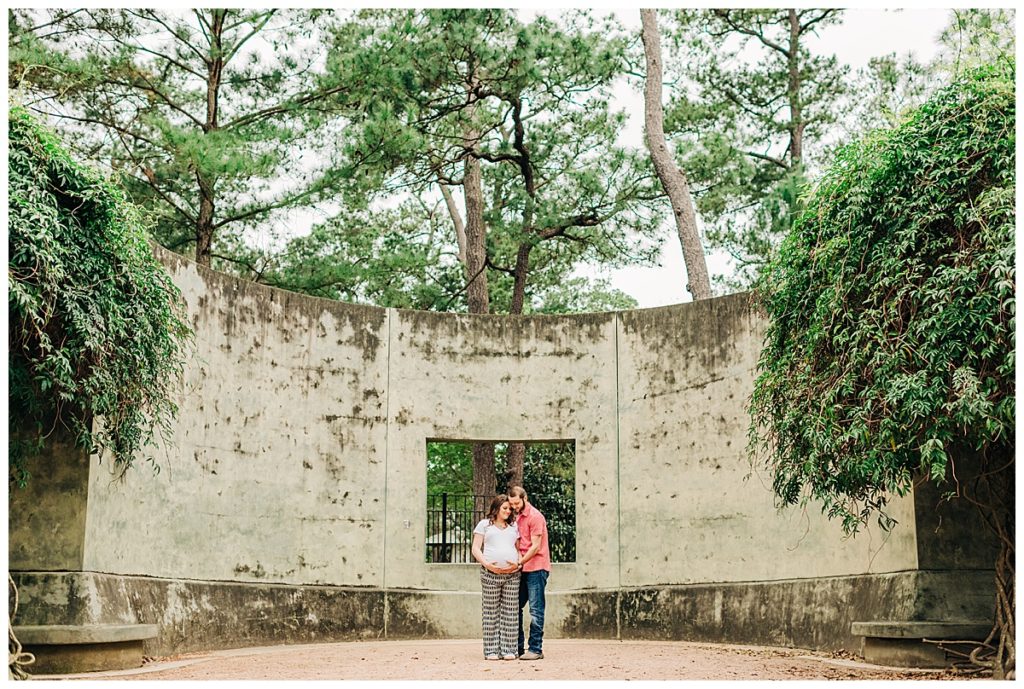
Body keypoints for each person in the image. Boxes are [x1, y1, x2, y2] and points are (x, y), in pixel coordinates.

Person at [471, 494, 522, 661]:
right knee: (490, 612)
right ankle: (491, 650)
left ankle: (509, 649)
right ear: (496, 508)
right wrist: (488, 564)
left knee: (511, 612)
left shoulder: (514, 526)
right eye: (505, 508)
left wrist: (518, 564)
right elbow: (475, 548)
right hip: (490, 575)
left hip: (512, 575)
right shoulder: (485, 525)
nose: (508, 511)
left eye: (509, 509)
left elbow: (519, 549)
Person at [508, 485, 550, 660]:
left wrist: (519, 562)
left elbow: (535, 547)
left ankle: (535, 649)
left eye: (517, 503)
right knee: (514, 606)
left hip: (536, 567)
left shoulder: (535, 517)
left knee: (535, 609)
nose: (514, 507)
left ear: (524, 498)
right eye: (512, 504)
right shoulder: (515, 517)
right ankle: (518, 647)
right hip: (522, 569)